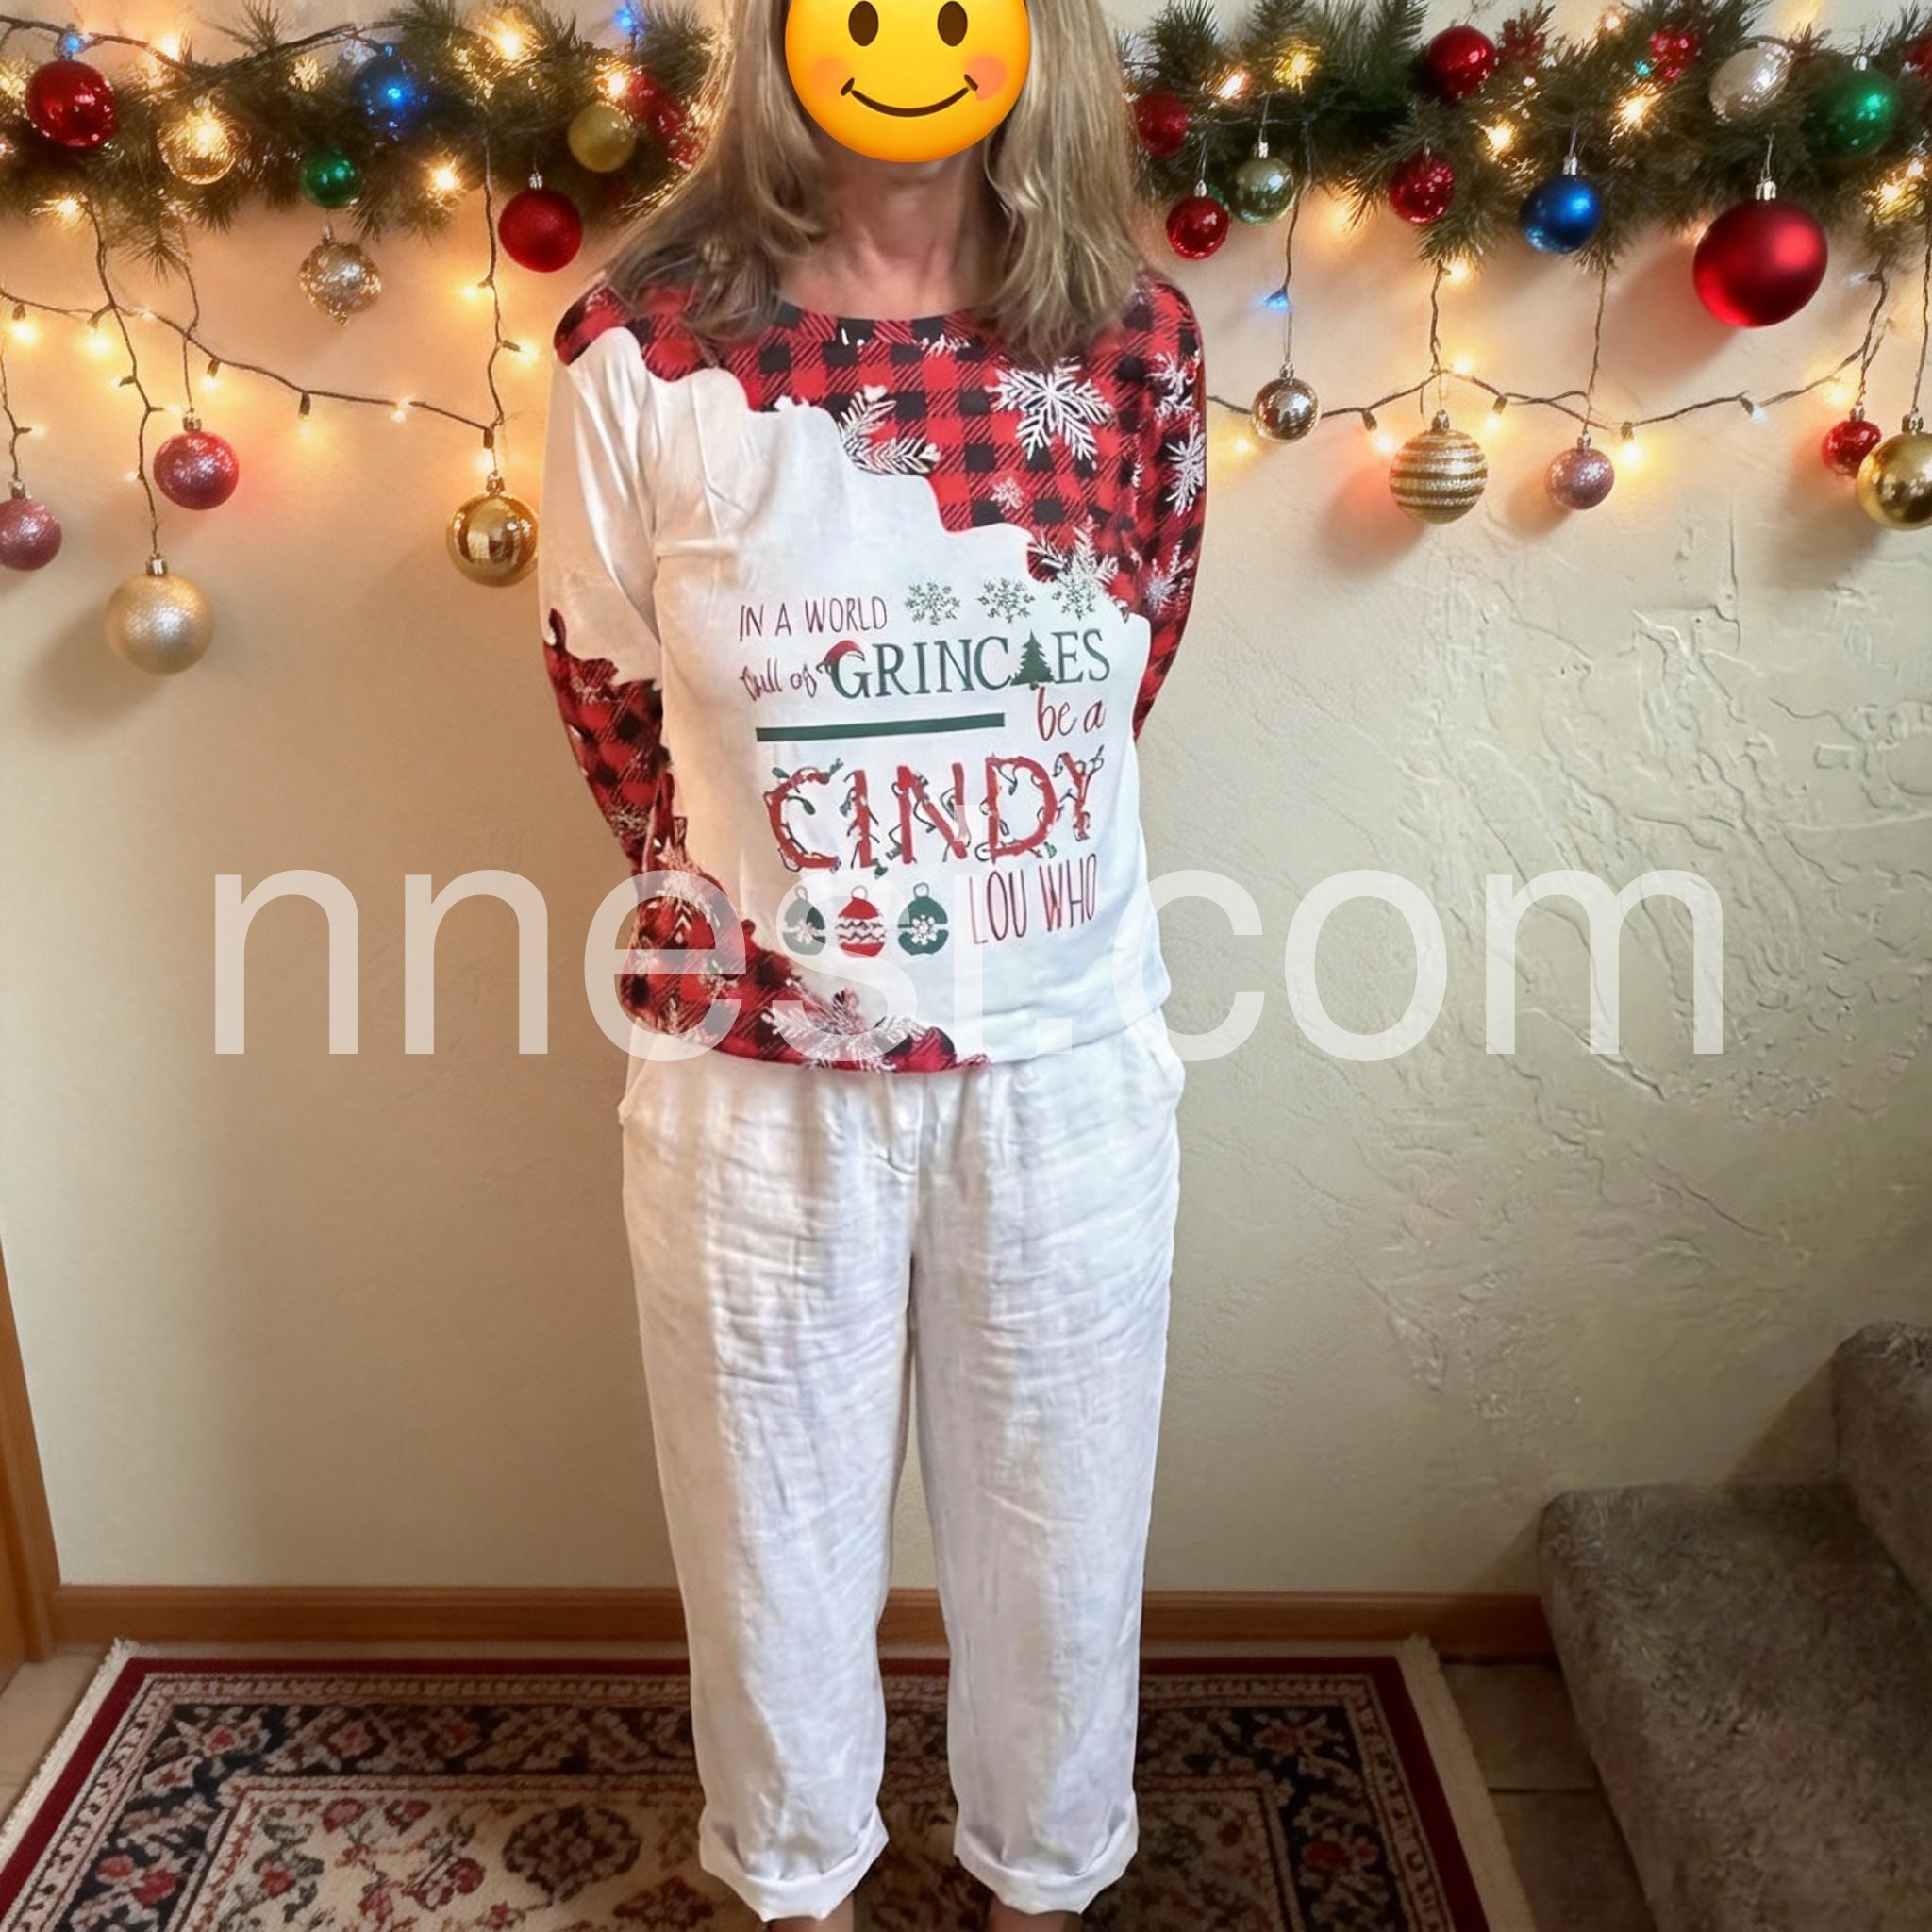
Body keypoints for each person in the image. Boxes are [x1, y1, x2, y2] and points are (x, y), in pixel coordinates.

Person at [536, 0, 1207, 1918]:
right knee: (766, 1556)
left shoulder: (1134, 348)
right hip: (753, 1090)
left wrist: (972, 885)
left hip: (1057, 1065)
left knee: (1061, 1555)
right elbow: (606, 692)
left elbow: (1129, 658)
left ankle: (1043, 1882)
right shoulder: (638, 355)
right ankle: (793, 1887)